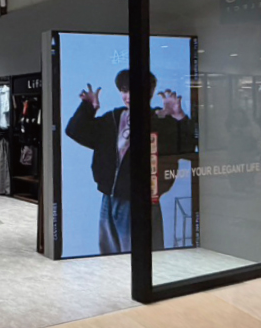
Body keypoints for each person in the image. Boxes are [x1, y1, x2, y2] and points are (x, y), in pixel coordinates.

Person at [65, 70, 195, 254]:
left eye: (134, 90)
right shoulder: (113, 118)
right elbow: (74, 130)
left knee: (138, 252)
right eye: (124, 90)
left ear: (148, 92)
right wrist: (88, 107)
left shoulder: (160, 120)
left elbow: (189, 146)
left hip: (139, 198)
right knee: (109, 253)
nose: (128, 96)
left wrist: (178, 116)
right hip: (109, 197)